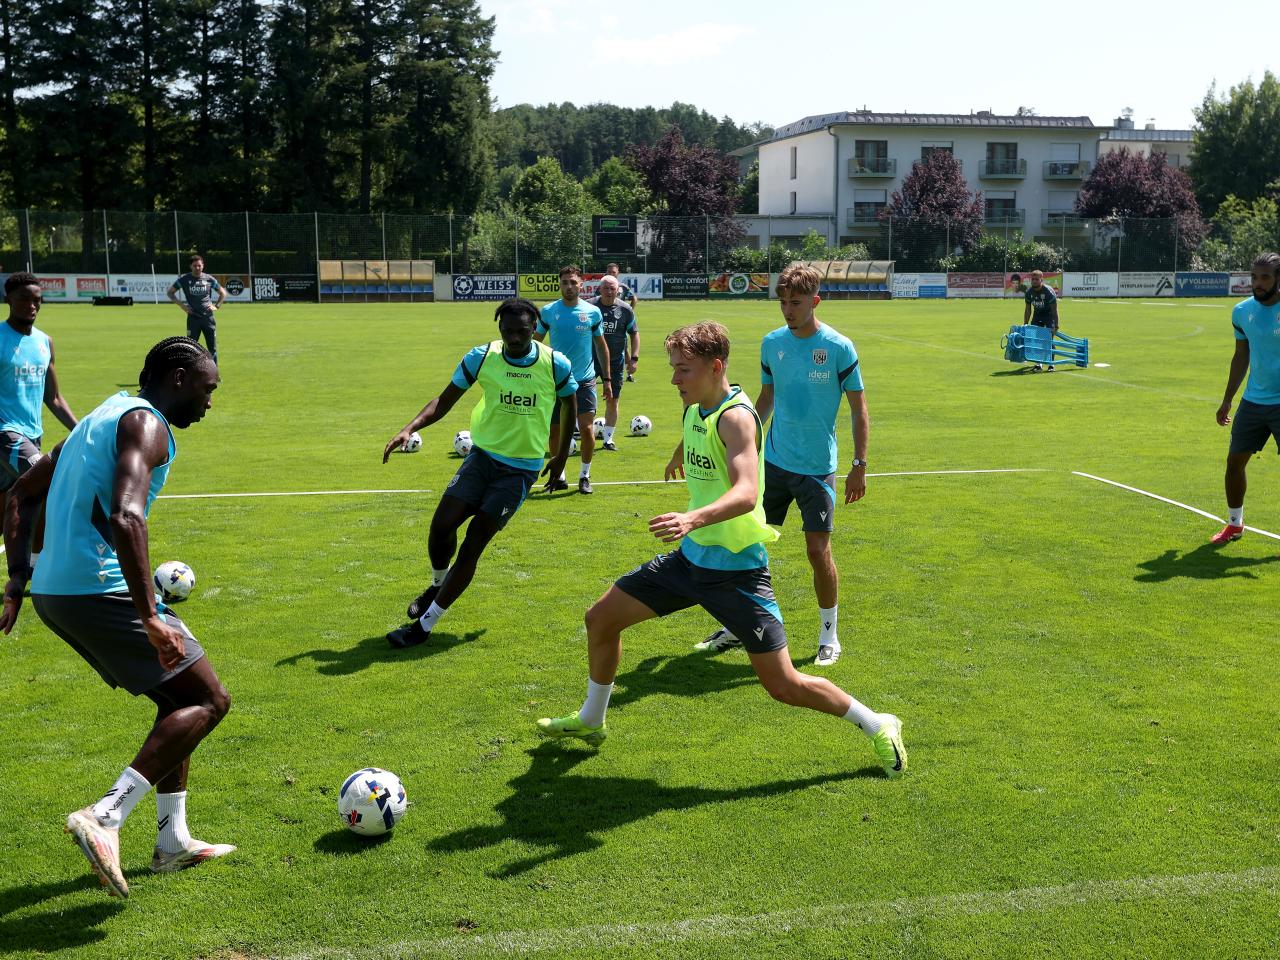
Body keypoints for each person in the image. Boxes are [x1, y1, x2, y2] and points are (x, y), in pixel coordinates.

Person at [535, 321, 905, 779]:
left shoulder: (737, 417)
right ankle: (592, 719)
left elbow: (748, 491)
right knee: (601, 618)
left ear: (716, 367)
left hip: (737, 574)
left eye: (683, 371)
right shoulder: (696, 409)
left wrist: (692, 517)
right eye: (673, 369)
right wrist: (677, 455)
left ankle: (876, 722)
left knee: (783, 685)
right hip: (690, 561)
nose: (675, 380)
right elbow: (700, 434)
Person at [0, 337, 230, 899]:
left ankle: (172, 841)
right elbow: (129, 516)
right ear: (177, 378)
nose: (208, 403)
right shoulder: (146, 424)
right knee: (208, 701)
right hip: (95, 588)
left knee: (177, 703)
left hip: (57, 591)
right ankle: (105, 817)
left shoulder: (96, 418)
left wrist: (17, 584)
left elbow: (20, 495)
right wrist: (151, 615)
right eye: (207, 390)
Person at [697, 264, 867, 667]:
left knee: (816, 550)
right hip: (772, 464)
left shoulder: (839, 347)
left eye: (796, 302)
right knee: (746, 544)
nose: (788, 310)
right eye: (784, 302)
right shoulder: (772, 344)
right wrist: (740, 440)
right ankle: (739, 627)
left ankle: (829, 635)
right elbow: (766, 399)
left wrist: (859, 463)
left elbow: (859, 409)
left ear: (815, 301)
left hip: (816, 469)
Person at [383, 298, 577, 648]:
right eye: (507, 331)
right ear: (499, 329)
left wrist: (561, 458)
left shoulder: (555, 365)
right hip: (482, 458)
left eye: (522, 331)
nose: (514, 338)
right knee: (441, 526)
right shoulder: (482, 356)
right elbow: (444, 400)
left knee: (473, 544)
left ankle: (424, 627)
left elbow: (569, 407)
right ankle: (437, 583)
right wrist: (409, 427)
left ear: (535, 329)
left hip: (519, 470)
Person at [0, 272, 79, 571]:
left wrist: (80, 428)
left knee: (5, 504)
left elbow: (54, 398)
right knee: (46, 483)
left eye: (37, 300)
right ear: (8, 300)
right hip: (5, 433)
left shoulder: (45, 342)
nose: (31, 306)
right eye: (24, 300)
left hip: (32, 435)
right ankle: (37, 563)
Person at [1212, 252, 1280, 545]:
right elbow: (1241, 355)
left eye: (1265, 277)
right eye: (1254, 276)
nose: (1258, 283)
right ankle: (1235, 524)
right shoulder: (1241, 311)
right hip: (1253, 402)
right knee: (1234, 462)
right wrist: (1228, 398)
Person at [534, 265, 611, 494]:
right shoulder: (548, 312)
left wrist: (606, 379)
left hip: (585, 381)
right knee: (556, 431)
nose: (569, 286)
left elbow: (601, 346)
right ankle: (560, 475)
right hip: (556, 381)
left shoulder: (592, 312)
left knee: (587, 431)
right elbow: (536, 344)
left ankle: (585, 476)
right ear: (560, 284)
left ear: (581, 284)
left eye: (573, 282)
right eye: (565, 282)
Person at [588, 275, 639, 451]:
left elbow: (634, 333)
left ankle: (608, 440)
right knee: (582, 397)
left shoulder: (625, 310)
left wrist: (634, 358)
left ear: (618, 290)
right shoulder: (588, 307)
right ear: (600, 289)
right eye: (606, 288)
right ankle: (579, 430)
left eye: (613, 289)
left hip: (616, 362)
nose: (609, 292)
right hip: (589, 359)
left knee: (613, 400)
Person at [167, 255, 225, 364]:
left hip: (208, 318)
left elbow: (223, 293)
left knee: (212, 349)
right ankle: (190, 375)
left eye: (199, 265)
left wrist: (216, 306)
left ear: (203, 266)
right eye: (195, 266)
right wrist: (183, 306)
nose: (197, 268)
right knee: (190, 348)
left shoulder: (209, 279)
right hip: (193, 318)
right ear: (190, 266)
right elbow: (170, 293)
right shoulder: (184, 279)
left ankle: (214, 375)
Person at [1022, 270, 1059, 372]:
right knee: (1037, 340)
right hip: (1037, 315)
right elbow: (1028, 309)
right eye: (1032, 279)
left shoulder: (1048, 292)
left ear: (1041, 280)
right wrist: (1025, 324)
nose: (1034, 281)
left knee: (1048, 339)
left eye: (1036, 279)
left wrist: (1056, 326)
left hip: (1049, 315)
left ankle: (1051, 364)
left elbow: (1054, 310)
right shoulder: (1029, 293)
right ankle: (1039, 364)